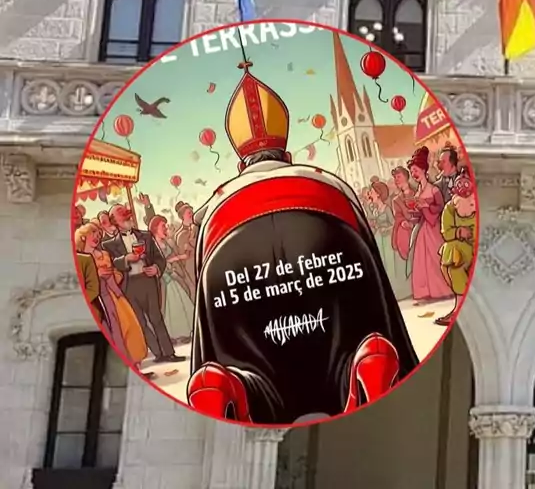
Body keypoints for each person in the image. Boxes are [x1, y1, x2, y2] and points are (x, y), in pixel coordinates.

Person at [186, 60, 419, 425]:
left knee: (248, 368)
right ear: (288, 154)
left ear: (239, 164)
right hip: (326, 229)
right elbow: (373, 266)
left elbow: (203, 295)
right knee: (353, 341)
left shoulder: (217, 201)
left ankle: (228, 384)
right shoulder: (326, 179)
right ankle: (365, 359)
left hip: (228, 250)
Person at [102, 203, 182, 366]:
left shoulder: (145, 236)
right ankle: (158, 353)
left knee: (156, 318)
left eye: (126, 212)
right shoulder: (108, 245)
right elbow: (108, 265)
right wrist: (125, 259)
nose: (126, 214)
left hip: (147, 281)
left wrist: (156, 268)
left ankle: (169, 353)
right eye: (120, 213)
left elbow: (160, 259)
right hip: (129, 286)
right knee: (140, 322)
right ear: (114, 220)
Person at [76, 222, 148, 365]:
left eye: (98, 234)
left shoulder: (104, 254)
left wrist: (114, 279)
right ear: (83, 237)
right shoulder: (80, 258)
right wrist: (97, 274)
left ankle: (133, 362)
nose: (97, 237)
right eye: (93, 234)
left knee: (128, 327)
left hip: (112, 296)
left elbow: (114, 277)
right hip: (97, 298)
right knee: (112, 332)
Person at [392, 147, 454, 304]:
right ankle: (426, 292)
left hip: (433, 229)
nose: (414, 174)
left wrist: (424, 206)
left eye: (415, 171)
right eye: (412, 172)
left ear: (423, 170)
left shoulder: (433, 189)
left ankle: (442, 290)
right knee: (421, 262)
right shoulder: (418, 190)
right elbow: (419, 213)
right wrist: (414, 213)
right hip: (422, 229)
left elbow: (440, 208)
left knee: (435, 260)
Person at [437, 171, 477, 327]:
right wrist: (459, 232)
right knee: (449, 258)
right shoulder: (450, 209)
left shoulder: (476, 209)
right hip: (455, 249)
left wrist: (470, 234)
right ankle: (460, 303)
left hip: (473, 249)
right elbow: (446, 232)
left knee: (454, 259)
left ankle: (461, 306)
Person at [148, 215, 194, 343]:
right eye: (163, 226)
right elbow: (160, 262)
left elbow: (171, 258)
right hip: (164, 279)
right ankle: (171, 335)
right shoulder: (153, 246)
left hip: (171, 275)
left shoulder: (165, 242)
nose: (166, 228)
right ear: (156, 228)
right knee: (170, 306)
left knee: (181, 303)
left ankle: (185, 332)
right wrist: (175, 260)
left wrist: (182, 257)